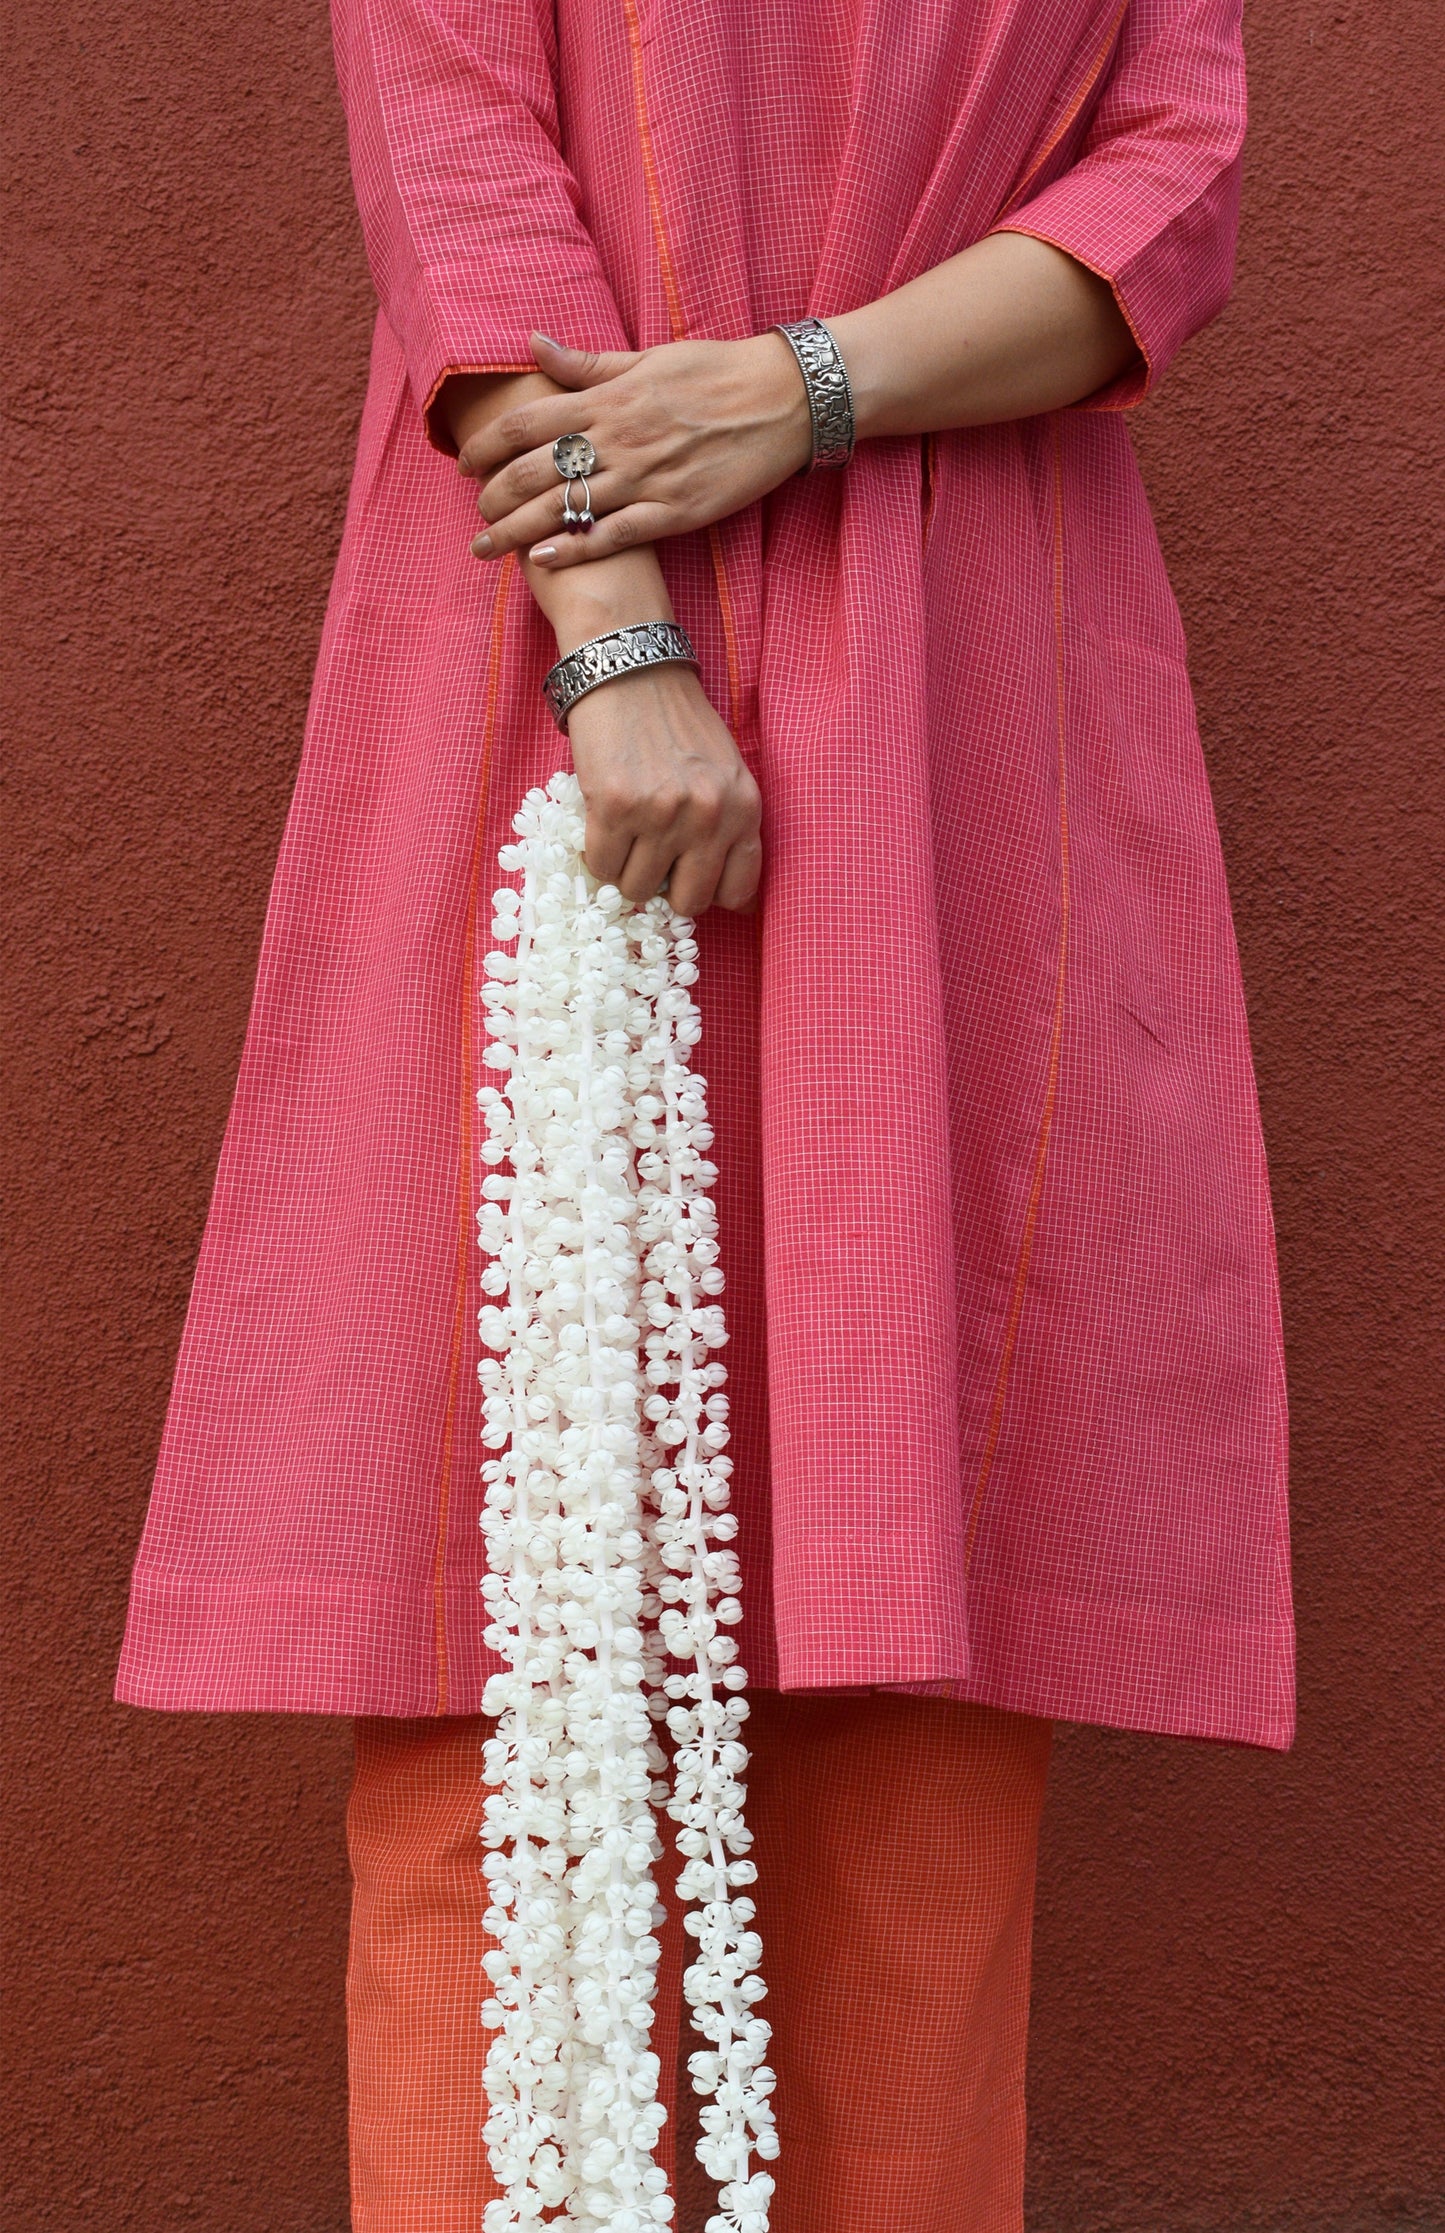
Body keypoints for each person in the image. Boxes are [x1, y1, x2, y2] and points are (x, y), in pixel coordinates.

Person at [116, 0, 1295, 2225]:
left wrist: (801, 383)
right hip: (547, 675)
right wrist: (618, 648)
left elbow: (1171, 182)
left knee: (910, 1625)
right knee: (518, 1604)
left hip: (964, 707)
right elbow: (460, 179)